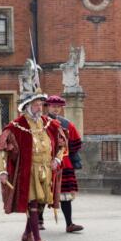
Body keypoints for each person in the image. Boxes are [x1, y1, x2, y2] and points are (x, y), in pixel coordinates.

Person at [0, 90, 66, 241]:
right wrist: (3, 170)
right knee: (32, 201)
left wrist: (57, 159)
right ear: (27, 106)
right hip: (28, 169)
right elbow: (2, 148)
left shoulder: (49, 123)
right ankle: (37, 239)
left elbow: (62, 144)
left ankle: (27, 233)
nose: (39, 107)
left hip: (46, 168)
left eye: (41, 104)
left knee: (40, 202)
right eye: (36, 104)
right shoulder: (16, 126)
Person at [39, 95, 84, 233]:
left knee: (65, 195)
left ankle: (69, 224)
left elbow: (76, 142)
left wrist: (65, 153)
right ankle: (39, 221)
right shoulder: (40, 122)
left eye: (58, 107)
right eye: (53, 106)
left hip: (63, 163)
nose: (56, 109)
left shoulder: (66, 124)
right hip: (44, 162)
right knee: (41, 191)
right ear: (47, 107)